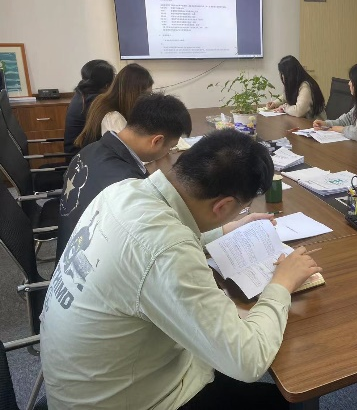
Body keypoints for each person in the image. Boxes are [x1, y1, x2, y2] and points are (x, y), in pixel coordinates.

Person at [40, 128, 322, 409]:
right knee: (296, 395)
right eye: (241, 208)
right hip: (130, 400)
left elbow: (157, 241)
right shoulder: (167, 251)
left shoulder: (123, 190)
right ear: (223, 205)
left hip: (88, 384)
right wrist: (281, 284)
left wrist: (226, 228)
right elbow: (249, 362)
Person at [57, 92, 191, 260]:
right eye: (170, 147)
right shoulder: (129, 185)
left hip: (67, 253)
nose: (168, 152)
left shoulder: (90, 150)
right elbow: (153, 244)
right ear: (156, 141)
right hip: (89, 262)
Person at [74, 63, 153, 148]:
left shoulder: (105, 100)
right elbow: (129, 151)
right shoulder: (112, 116)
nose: (148, 99)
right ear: (133, 94)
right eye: (147, 95)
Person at [64, 60, 116, 154]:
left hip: (77, 152)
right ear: (107, 85)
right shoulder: (94, 101)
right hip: (81, 156)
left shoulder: (81, 94)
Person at [266, 55, 326, 120]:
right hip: (302, 121)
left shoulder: (306, 87)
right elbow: (285, 96)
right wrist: (274, 103)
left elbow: (298, 111)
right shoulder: (295, 83)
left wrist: (284, 107)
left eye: (283, 74)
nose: (282, 77)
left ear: (290, 75)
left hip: (314, 123)